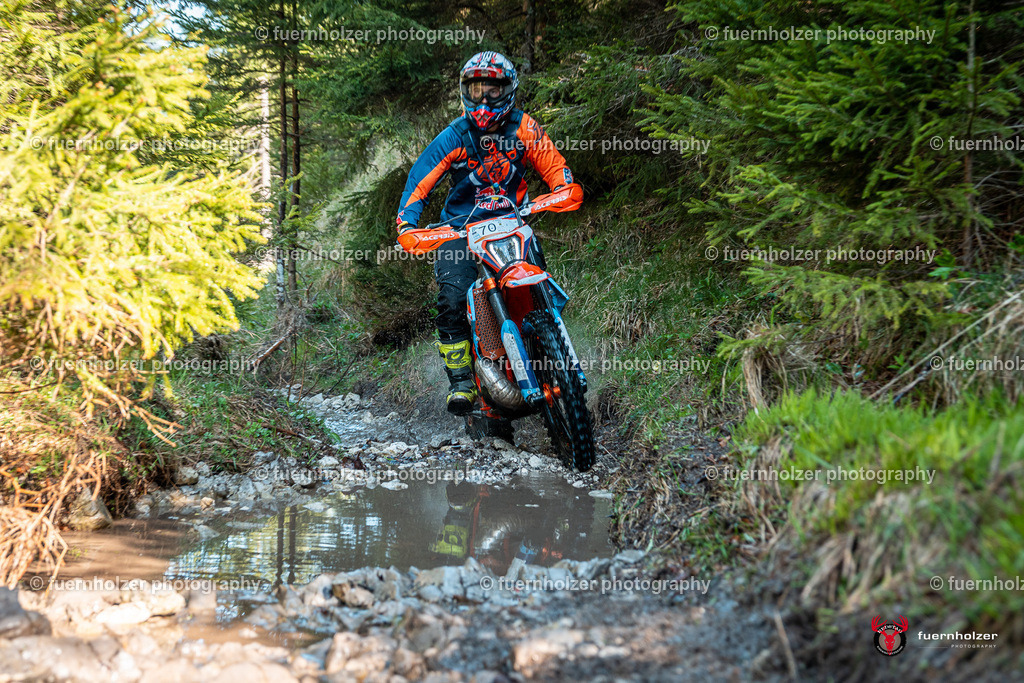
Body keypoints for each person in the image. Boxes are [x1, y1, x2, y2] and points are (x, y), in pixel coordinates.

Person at [395, 51, 581, 415]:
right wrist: (407, 224)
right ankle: (461, 381)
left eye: (492, 90)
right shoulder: (454, 136)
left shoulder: (524, 128)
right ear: (465, 91)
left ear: (508, 89)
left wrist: (562, 189)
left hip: (513, 221)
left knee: (540, 278)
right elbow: (419, 183)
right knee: (451, 297)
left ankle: (552, 347)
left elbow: (557, 169)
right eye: (476, 89)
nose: (484, 99)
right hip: (459, 231)